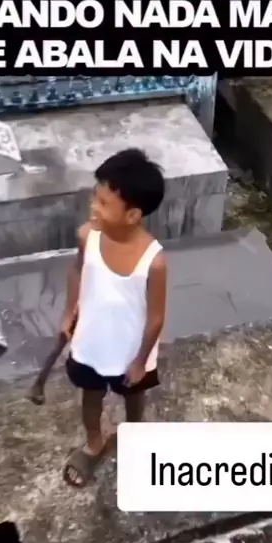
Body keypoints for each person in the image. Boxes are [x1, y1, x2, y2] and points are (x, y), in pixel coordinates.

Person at [61, 147, 167, 488]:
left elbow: (156, 317)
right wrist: (69, 311)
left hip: (130, 350)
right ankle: (94, 443)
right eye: (96, 196)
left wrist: (140, 361)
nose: (94, 206)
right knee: (90, 395)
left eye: (104, 203)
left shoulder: (154, 261)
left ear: (132, 214)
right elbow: (77, 270)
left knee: (134, 396)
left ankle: (133, 434)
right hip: (91, 341)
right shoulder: (87, 236)